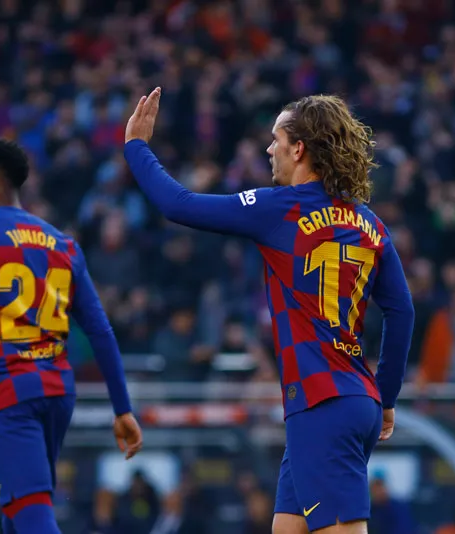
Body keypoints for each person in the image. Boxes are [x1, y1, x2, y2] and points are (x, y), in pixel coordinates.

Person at [124, 89, 415, 534]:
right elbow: (402, 312)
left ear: (298, 148)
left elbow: (177, 204)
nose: (268, 148)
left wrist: (138, 148)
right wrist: (387, 397)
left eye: (275, 138)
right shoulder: (370, 223)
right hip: (345, 401)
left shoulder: (279, 208)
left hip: (323, 404)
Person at [0, 138, 143, 534]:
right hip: (56, 391)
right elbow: (100, 330)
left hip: (7, 390)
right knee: (17, 508)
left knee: (31, 513)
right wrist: (122, 408)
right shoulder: (63, 243)